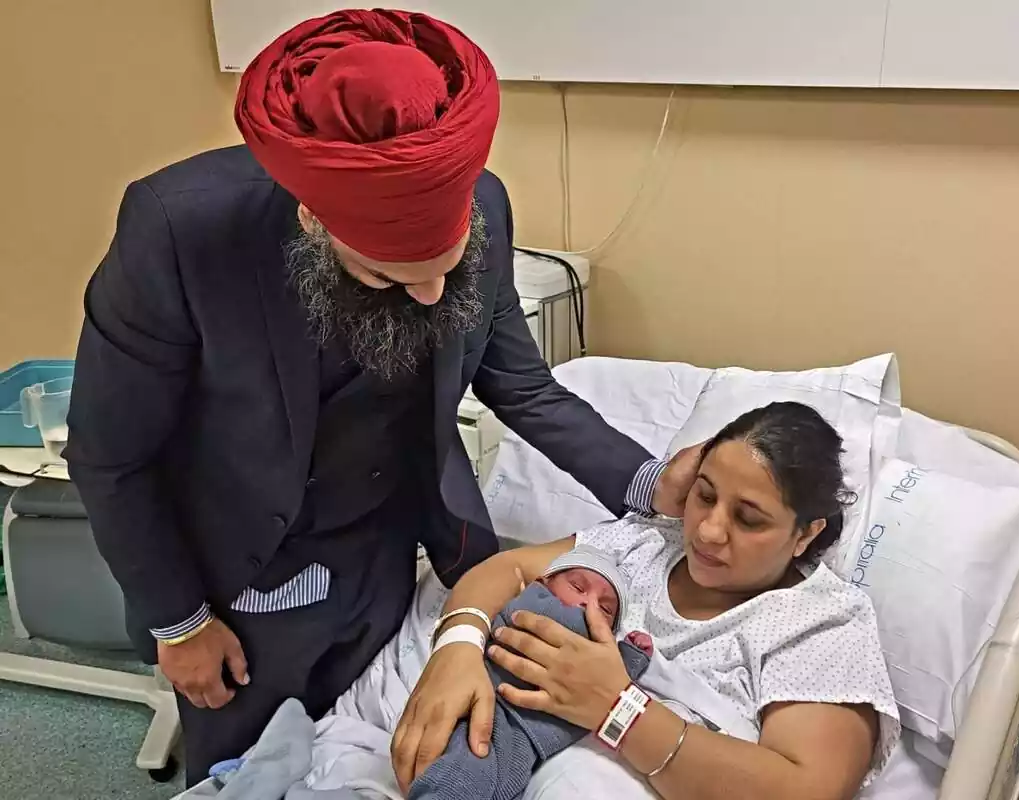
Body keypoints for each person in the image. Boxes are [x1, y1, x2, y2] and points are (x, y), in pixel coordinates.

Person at [63, 8, 696, 787]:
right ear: (313, 224)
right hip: (235, 575)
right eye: (393, 278)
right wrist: (180, 621)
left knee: (362, 759)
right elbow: (111, 454)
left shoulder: (486, 206)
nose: (433, 298)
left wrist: (653, 485)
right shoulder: (180, 234)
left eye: (449, 265)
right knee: (246, 771)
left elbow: (522, 385)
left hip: (384, 551)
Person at [393, 402, 901, 800]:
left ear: (806, 533)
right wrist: (456, 648)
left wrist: (617, 707)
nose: (708, 530)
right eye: (704, 495)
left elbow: (802, 790)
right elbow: (512, 568)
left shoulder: (822, 624)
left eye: (748, 519)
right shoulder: (646, 541)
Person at [409, 546, 653, 800]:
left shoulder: (601, 657)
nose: (587, 605)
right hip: (486, 714)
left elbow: (615, 682)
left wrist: (631, 657)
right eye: (578, 588)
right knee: (462, 774)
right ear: (542, 583)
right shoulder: (531, 602)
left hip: (523, 750)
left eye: (605, 610)